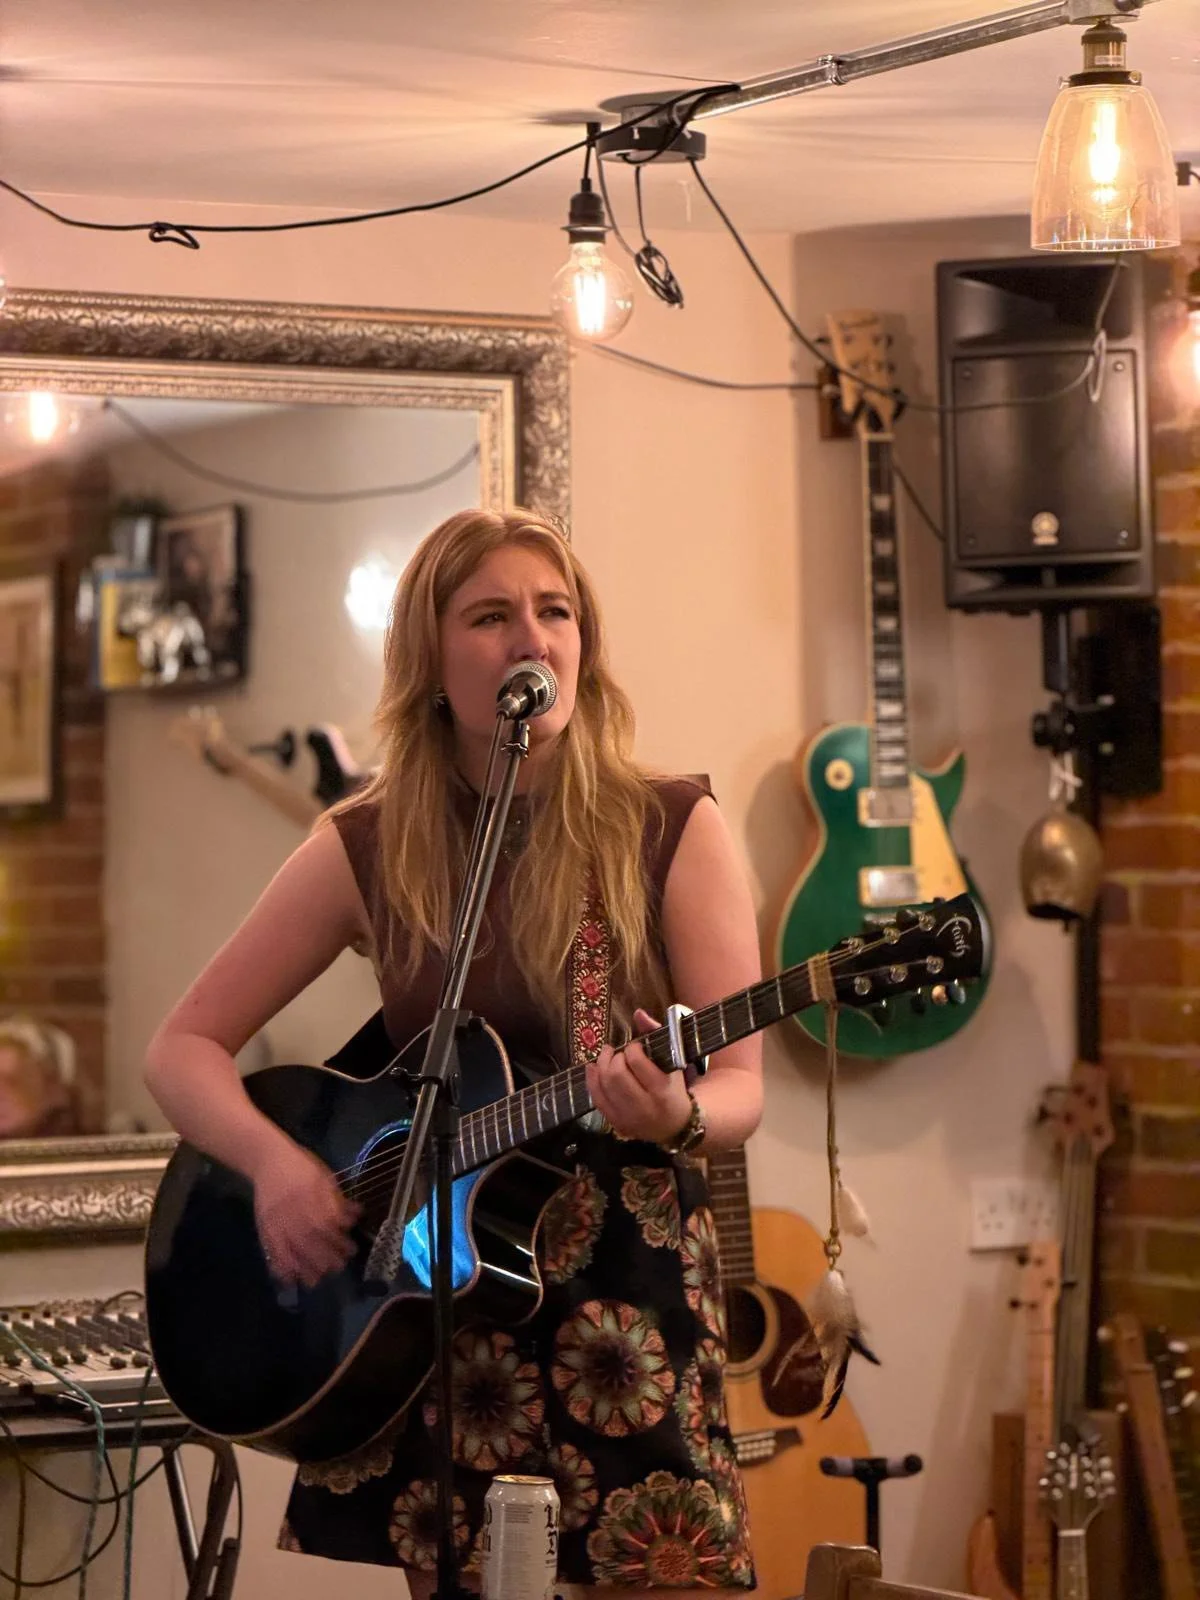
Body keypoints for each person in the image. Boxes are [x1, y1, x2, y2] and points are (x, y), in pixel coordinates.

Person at [144, 507, 764, 1598]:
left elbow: (742, 1088)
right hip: (442, 1301)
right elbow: (181, 1049)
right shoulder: (373, 842)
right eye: (491, 615)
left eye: (555, 611)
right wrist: (280, 1167)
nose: (533, 636)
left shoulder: (667, 824)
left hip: (626, 1293)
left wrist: (675, 1116)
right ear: (431, 662)